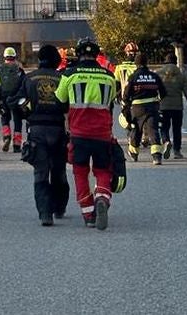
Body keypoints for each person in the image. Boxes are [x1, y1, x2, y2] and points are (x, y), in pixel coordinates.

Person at [55, 37, 116, 230]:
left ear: (79, 54)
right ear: (96, 54)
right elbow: (111, 102)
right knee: (103, 170)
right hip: (102, 133)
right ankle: (102, 198)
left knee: (80, 172)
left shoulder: (69, 74)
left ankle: (89, 214)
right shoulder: (108, 76)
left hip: (79, 133)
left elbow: (59, 100)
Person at [15, 44, 69, 226]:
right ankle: (59, 208)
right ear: (56, 60)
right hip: (58, 129)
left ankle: (45, 213)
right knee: (59, 172)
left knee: (41, 173)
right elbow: (69, 105)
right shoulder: (63, 78)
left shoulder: (29, 78)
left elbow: (18, 102)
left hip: (37, 130)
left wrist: (27, 111)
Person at [122, 53, 167, 165]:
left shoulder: (133, 77)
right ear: (146, 63)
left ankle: (134, 153)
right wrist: (157, 101)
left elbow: (126, 95)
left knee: (136, 130)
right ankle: (156, 156)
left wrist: (126, 107)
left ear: (136, 64)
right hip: (152, 107)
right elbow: (163, 92)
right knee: (153, 129)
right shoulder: (154, 76)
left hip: (137, 108)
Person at [158, 52, 187, 160]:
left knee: (164, 127)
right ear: (175, 62)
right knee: (177, 129)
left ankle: (166, 141)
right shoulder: (181, 76)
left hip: (163, 106)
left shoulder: (159, 74)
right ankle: (177, 151)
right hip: (177, 107)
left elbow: (153, 90)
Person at [0, 46, 26, 152]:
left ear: (4, 56)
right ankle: (17, 145)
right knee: (17, 120)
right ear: (14, 56)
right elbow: (24, 84)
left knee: (5, 118)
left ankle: (6, 135)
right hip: (16, 98)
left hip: (4, 97)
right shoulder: (19, 69)